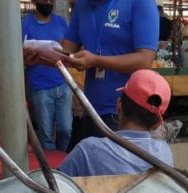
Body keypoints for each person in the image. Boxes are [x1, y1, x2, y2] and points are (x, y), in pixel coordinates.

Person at [54, 0, 159, 149]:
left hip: (124, 113)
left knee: (117, 169)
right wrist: (40, 53)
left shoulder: (140, 3)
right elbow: (67, 48)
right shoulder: (83, 5)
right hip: (90, 109)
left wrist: (96, 61)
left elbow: (145, 60)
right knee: (90, 167)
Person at [58, 69, 173, 177]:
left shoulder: (87, 150)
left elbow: (57, 186)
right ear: (157, 124)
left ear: (119, 105)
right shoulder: (164, 153)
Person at [22, 0, 73, 151]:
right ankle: (50, 167)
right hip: (40, 86)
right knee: (46, 134)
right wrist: (27, 57)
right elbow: (18, 55)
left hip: (62, 83)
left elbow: (69, 49)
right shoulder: (25, 24)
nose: (48, 2)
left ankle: (61, 158)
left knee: (66, 129)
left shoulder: (61, 22)